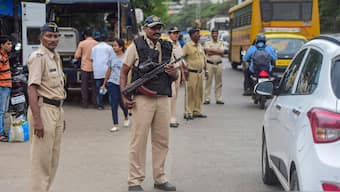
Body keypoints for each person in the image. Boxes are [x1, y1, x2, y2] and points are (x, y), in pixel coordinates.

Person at [120, 15, 177, 191]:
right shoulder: (135, 46)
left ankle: (160, 178)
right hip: (142, 99)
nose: (156, 31)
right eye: (153, 27)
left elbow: (175, 76)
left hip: (162, 99)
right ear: (145, 29)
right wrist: (124, 95)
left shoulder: (168, 47)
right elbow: (124, 72)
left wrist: (172, 72)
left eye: (159, 27)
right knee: (139, 141)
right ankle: (134, 181)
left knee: (162, 141)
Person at [27, 22, 66, 192]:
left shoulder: (55, 57)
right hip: (43, 110)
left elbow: (57, 88)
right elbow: (32, 88)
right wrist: (37, 120)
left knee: (53, 159)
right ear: (41, 37)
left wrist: (61, 115)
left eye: (56, 36)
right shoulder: (38, 57)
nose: (53, 39)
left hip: (56, 110)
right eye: (49, 36)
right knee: (41, 161)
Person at [101, 38, 129, 132]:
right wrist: (104, 83)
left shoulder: (126, 57)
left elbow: (129, 71)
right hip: (112, 82)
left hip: (122, 83)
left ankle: (126, 116)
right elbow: (109, 70)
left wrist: (128, 83)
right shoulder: (112, 57)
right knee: (113, 103)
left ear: (121, 47)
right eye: (113, 45)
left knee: (122, 102)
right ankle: (115, 124)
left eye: (115, 45)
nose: (113, 47)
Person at [182, 28, 208, 120]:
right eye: (197, 33)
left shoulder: (200, 46)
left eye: (199, 33)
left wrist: (206, 70)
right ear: (191, 35)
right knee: (191, 93)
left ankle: (197, 111)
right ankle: (188, 112)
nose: (199, 35)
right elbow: (182, 58)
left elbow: (204, 59)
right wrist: (185, 69)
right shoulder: (187, 46)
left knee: (199, 93)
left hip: (200, 73)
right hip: (191, 73)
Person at [74, 28, 98, 108]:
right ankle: (95, 103)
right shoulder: (97, 43)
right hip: (95, 67)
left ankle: (85, 103)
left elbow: (77, 56)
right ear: (92, 35)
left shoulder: (82, 43)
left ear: (85, 35)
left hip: (84, 67)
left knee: (84, 86)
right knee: (95, 86)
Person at [167, 26, 185, 128]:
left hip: (177, 71)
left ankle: (173, 117)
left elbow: (180, 61)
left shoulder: (178, 44)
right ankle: (170, 119)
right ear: (170, 34)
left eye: (177, 33)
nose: (176, 35)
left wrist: (182, 75)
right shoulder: (167, 44)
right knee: (172, 95)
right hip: (170, 72)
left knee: (175, 96)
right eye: (174, 33)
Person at [91, 34, 113, 110]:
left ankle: (100, 105)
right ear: (106, 39)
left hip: (97, 70)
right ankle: (111, 104)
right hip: (106, 70)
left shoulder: (94, 48)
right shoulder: (109, 48)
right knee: (109, 88)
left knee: (98, 89)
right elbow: (111, 58)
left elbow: (92, 58)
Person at [203, 28, 225, 105]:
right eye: (213, 33)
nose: (215, 35)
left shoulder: (221, 42)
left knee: (219, 82)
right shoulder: (207, 42)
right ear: (211, 34)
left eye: (216, 33)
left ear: (218, 34)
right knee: (208, 81)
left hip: (219, 64)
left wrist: (212, 51)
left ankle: (218, 98)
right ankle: (207, 98)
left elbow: (222, 52)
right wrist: (217, 51)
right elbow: (207, 51)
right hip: (209, 64)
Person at [0, 35, 12, 142]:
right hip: (2, 87)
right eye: (8, 44)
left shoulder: (5, 56)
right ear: (2, 45)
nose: (10, 46)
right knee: (1, 111)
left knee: (3, 111)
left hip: (6, 86)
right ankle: (0, 133)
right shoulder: (0, 57)